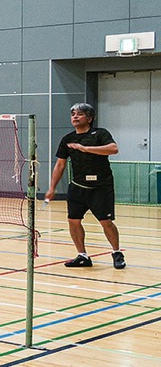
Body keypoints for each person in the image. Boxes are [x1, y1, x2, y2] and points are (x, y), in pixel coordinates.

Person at [45, 103, 124, 269]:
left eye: (79, 114)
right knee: (73, 221)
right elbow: (60, 165)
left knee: (106, 221)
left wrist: (85, 148)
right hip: (78, 186)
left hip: (101, 187)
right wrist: (52, 188)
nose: (75, 117)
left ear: (89, 118)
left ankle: (117, 253)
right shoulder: (67, 139)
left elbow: (113, 149)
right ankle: (82, 256)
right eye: (73, 114)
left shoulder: (100, 133)